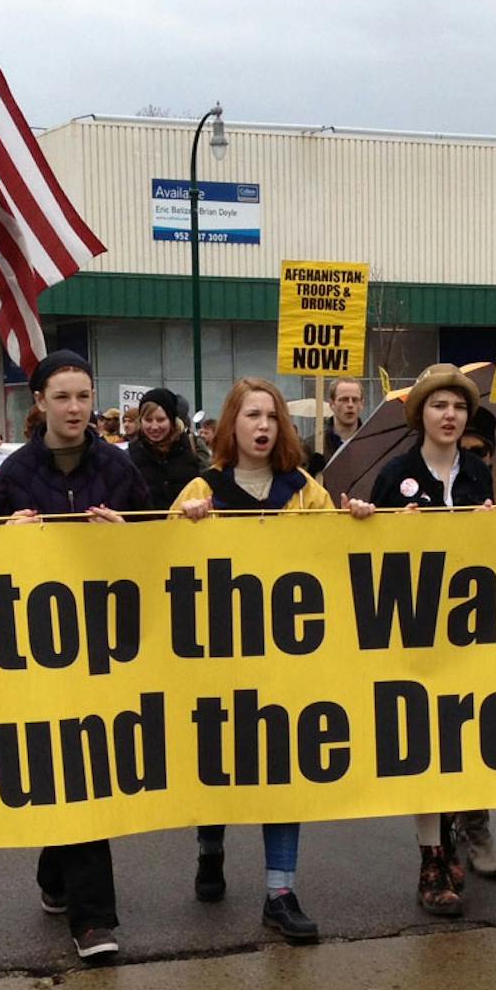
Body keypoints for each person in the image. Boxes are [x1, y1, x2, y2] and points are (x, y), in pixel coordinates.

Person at [171, 379, 377, 943]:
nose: (262, 426)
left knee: (282, 770)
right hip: (219, 658)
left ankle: (279, 891)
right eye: (251, 415)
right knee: (215, 762)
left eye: (271, 416)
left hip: (285, 661)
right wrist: (182, 526)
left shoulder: (304, 489)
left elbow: (332, 558)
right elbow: (161, 568)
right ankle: (210, 847)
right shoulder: (199, 488)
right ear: (232, 424)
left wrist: (357, 521)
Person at [0, 349, 152, 964]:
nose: (76, 408)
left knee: (87, 767)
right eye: (63, 397)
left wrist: (127, 538)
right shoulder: (19, 471)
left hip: (107, 646)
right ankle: (93, 918)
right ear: (40, 404)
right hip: (43, 650)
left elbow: (157, 549)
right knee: (73, 766)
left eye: (84, 396)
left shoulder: (120, 468)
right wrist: (6, 538)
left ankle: (66, 886)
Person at [367, 365, 496, 914]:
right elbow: (368, 551)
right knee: (423, 746)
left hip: (465, 629)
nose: (450, 416)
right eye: (439, 405)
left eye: (459, 407)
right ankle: (431, 856)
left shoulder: (477, 473)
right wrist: (393, 525)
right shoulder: (395, 472)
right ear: (420, 413)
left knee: (461, 740)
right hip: (413, 629)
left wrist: (495, 526)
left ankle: (453, 841)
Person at [125, 387, 200, 509]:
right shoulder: (129, 455)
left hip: (186, 526)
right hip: (146, 527)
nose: (154, 427)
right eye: (148, 420)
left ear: (171, 420)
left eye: (160, 420)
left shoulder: (192, 446)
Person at [316, 376, 369, 472]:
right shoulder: (315, 446)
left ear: (362, 404)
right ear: (332, 404)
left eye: (355, 400)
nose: (350, 405)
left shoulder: (373, 445)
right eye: (344, 399)